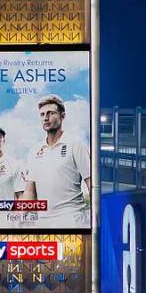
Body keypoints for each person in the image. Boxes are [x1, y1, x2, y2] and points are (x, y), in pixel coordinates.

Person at [19, 94, 92, 227]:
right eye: (42, 114)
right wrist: (21, 218)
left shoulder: (75, 144)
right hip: (42, 222)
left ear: (62, 116)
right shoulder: (35, 150)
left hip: (71, 219)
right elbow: (30, 189)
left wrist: (99, 218)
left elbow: (91, 183)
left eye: (50, 113)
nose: (45, 118)